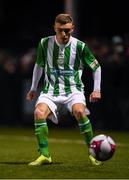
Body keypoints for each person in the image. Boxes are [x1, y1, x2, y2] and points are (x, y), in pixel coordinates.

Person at [26, 13, 102, 166]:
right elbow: (39, 65)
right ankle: (45, 155)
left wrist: (97, 89)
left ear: (72, 29)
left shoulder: (79, 46)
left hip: (73, 90)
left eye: (67, 30)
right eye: (60, 30)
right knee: (38, 113)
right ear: (54, 28)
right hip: (50, 91)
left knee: (80, 112)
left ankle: (93, 153)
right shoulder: (44, 43)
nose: (64, 34)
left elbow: (96, 67)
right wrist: (33, 88)